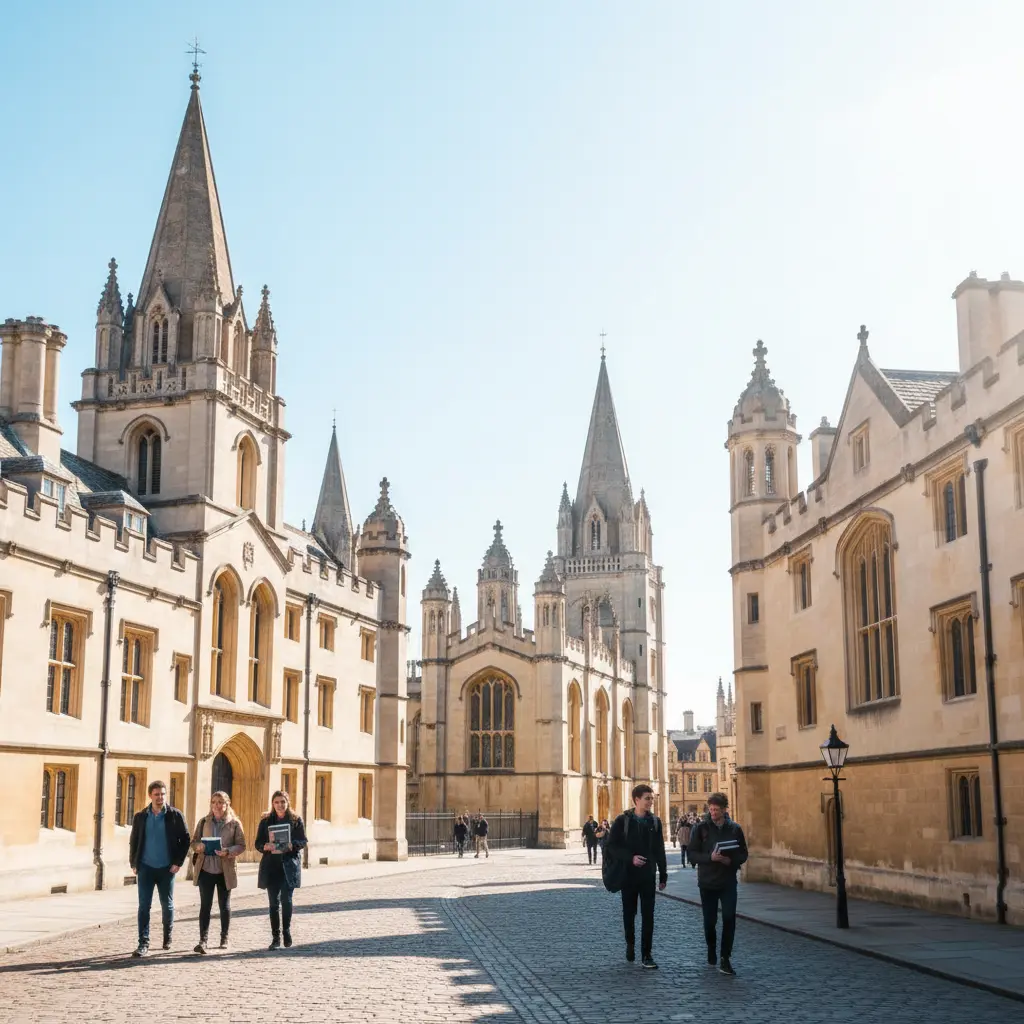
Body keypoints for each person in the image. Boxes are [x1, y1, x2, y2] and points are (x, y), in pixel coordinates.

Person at [607, 784, 667, 969]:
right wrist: (630, 858)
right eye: (647, 798)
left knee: (648, 915)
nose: (651, 802)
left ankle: (647, 954)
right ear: (636, 800)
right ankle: (630, 943)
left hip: (648, 876)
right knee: (629, 913)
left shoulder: (655, 822)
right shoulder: (622, 821)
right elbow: (611, 847)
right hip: (629, 876)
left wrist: (663, 875)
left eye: (652, 799)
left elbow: (659, 850)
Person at [128, 779, 191, 957]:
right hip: (146, 868)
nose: (160, 798)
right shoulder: (141, 817)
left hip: (166, 869)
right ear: (150, 796)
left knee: (167, 905)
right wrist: (134, 863)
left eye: (163, 794)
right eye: (156, 794)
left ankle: (167, 937)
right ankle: (143, 943)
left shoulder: (175, 815)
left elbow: (186, 840)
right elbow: (134, 841)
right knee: (143, 906)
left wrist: (178, 862)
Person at [687, 792, 748, 976]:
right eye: (711, 809)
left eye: (716, 810)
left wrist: (731, 861)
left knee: (729, 918)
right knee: (709, 922)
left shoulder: (735, 828)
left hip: (728, 881)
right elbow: (692, 854)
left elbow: (743, 853)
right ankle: (711, 947)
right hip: (707, 882)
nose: (713, 813)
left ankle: (725, 958)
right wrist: (710, 857)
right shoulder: (700, 828)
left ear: (724, 810)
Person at [189, 790, 246, 953]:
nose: (217, 805)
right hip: (206, 868)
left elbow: (242, 845)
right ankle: (203, 940)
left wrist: (228, 851)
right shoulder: (203, 822)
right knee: (205, 906)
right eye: (214, 802)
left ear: (227, 804)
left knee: (224, 906)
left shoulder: (234, 823)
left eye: (220, 802)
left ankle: (224, 938)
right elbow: (194, 842)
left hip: (224, 870)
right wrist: (198, 847)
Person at [255, 790, 308, 950]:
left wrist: (293, 845)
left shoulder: (296, 820)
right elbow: (257, 843)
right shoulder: (265, 821)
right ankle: (275, 937)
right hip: (271, 866)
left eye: (283, 802)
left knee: (286, 900)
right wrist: (265, 846)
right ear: (273, 804)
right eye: (277, 802)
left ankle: (286, 931)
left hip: (288, 866)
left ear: (288, 802)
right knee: (273, 904)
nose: (280, 805)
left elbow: (303, 841)